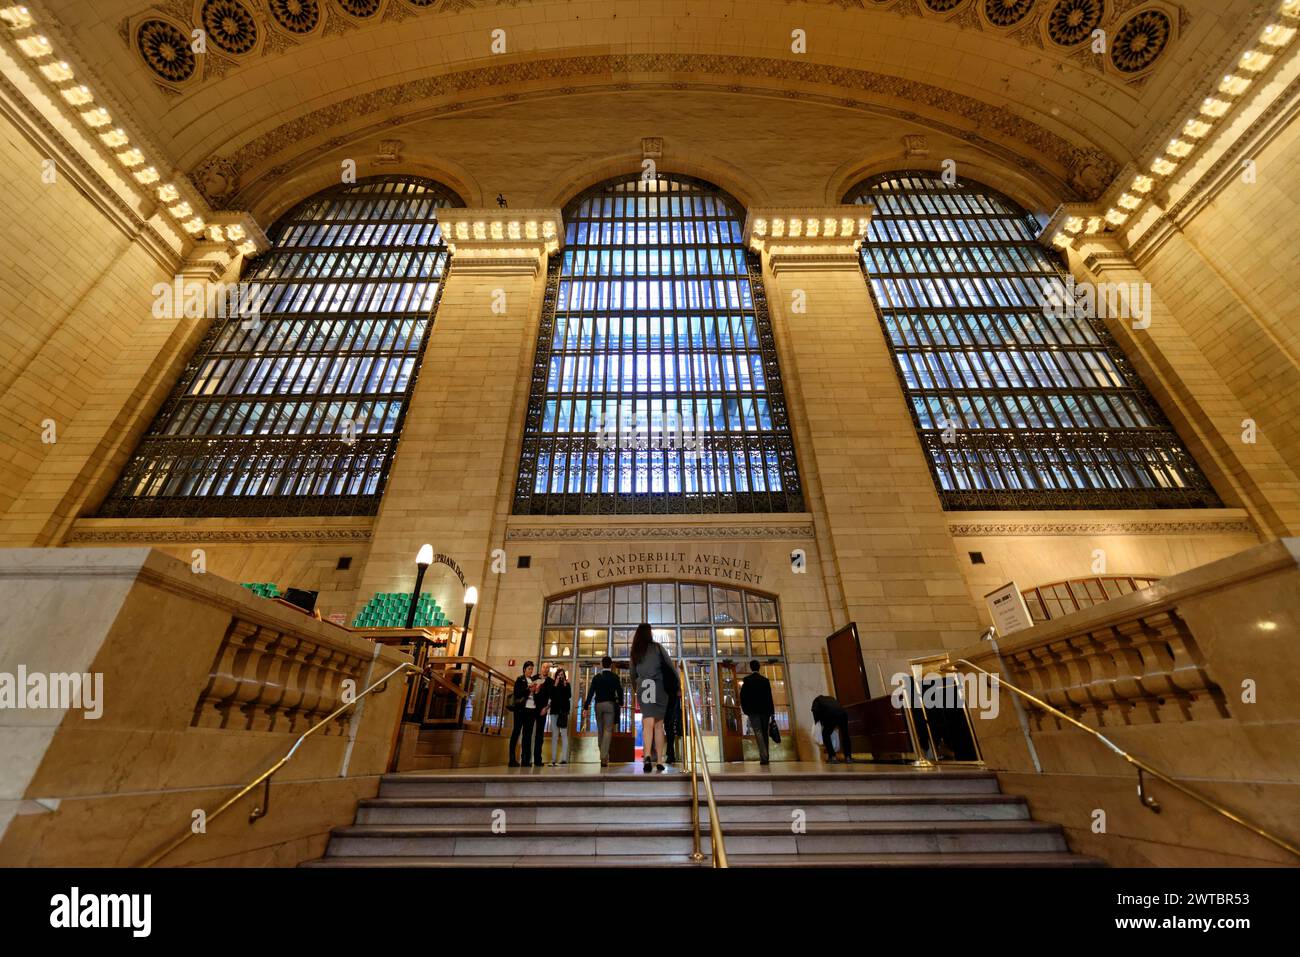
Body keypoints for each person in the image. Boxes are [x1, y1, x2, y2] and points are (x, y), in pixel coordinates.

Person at [631, 623, 675, 773]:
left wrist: (636, 688)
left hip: (644, 686)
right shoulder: (657, 648)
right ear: (649, 633)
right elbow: (670, 666)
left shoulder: (636, 651)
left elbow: (632, 673)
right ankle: (660, 760)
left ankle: (648, 755)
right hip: (659, 688)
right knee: (658, 725)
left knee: (647, 723)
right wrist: (678, 686)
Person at [584, 656, 622, 767]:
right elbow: (619, 690)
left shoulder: (597, 677)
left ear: (602, 664)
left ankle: (603, 757)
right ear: (610, 665)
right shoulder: (614, 677)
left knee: (600, 731)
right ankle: (604, 756)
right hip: (610, 705)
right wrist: (621, 702)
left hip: (598, 706)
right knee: (608, 731)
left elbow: (591, 692)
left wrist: (586, 706)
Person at [740, 660, 775, 766]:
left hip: (753, 712)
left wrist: (746, 710)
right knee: (764, 733)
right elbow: (769, 697)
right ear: (759, 667)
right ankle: (766, 755)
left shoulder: (747, 680)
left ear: (751, 668)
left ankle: (764, 756)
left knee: (758, 733)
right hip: (765, 711)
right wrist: (772, 712)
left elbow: (743, 697)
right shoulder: (765, 680)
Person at [810, 694, 854, 763]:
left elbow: (815, 712)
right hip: (843, 713)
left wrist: (819, 723)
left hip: (830, 714)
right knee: (845, 735)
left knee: (825, 734)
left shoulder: (817, 700)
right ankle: (848, 757)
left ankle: (832, 757)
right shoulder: (830, 698)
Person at [508, 661, 535, 768]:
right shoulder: (520, 679)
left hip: (531, 709)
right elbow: (518, 693)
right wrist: (529, 689)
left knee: (527, 735)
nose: (531, 671)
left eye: (532, 669)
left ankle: (525, 759)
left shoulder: (533, 680)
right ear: (524, 669)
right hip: (521, 710)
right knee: (516, 732)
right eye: (529, 669)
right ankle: (512, 759)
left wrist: (536, 690)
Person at [528, 662, 554, 767]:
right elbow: (529, 692)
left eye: (547, 668)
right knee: (528, 733)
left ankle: (538, 759)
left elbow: (552, 698)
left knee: (539, 735)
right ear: (541, 668)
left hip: (543, 709)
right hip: (531, 708)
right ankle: (526, 758)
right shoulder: (533, 678)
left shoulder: (551, 682)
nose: (545, 669)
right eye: (544, 667)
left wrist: (546, 708)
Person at [548, 667, 572, 766]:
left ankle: (564, 758)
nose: (561, 676)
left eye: (562, 675)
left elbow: (569, 696)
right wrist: (555, 684)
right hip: (554, 711)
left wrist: (566, 686)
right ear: (556, 676)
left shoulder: (567, 685)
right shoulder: (553, 685)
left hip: (563, 713)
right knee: (554, 735)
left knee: (564, 735)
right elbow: (551, 696)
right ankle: (553, 759)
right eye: (559, 675)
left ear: (564, 676)